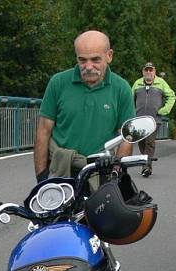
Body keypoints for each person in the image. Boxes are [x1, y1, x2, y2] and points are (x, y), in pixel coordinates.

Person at [34, 30, 135, 182]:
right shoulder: (58, 83)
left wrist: (116, 173)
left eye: (95, 60)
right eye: (82, 60)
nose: (88, 66)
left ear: (109, 56)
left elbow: (126, 137)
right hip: (59, 168)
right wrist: (41, 178)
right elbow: (43, 131)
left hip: (101, 170)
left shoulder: (121, 88)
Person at [132, 62, 176, 176]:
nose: (148, 72)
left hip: (154, 120)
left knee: (149, 142)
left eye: (150, 70)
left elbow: (172, 96)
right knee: (142, 143)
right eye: (146, 70)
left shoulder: (161, 83)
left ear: (154, 71)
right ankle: (146, 163)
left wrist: (163, 110)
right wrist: (131, 112)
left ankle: (146, 167)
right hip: (139, 120)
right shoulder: (137, 83)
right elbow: (129, 99)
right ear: (143, 72)